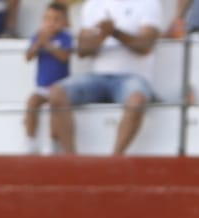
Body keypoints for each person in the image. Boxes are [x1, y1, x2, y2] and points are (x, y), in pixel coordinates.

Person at [46, 0, 161, 155]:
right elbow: (82, 51)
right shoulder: (93, 4)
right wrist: (103, 35)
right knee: (56, 93)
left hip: (133, 76)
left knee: (137, 100)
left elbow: (145, 46)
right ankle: (71, 158)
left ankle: (115, 159)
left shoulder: (149, 3)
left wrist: (115, 32)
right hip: (97, 77)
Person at [23, 1, 71, 154]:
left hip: (60, 87)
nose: (51, 23)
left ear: (65, 22)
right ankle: (30, 141)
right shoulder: (38, 37)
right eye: (48, 18)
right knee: (32, 102)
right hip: (42, 87)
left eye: (56, 19)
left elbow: (64, 57)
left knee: (55, 107)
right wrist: (38, 44)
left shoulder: (65, 37)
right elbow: (28, 56)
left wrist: (48, 44)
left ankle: (52, 142)